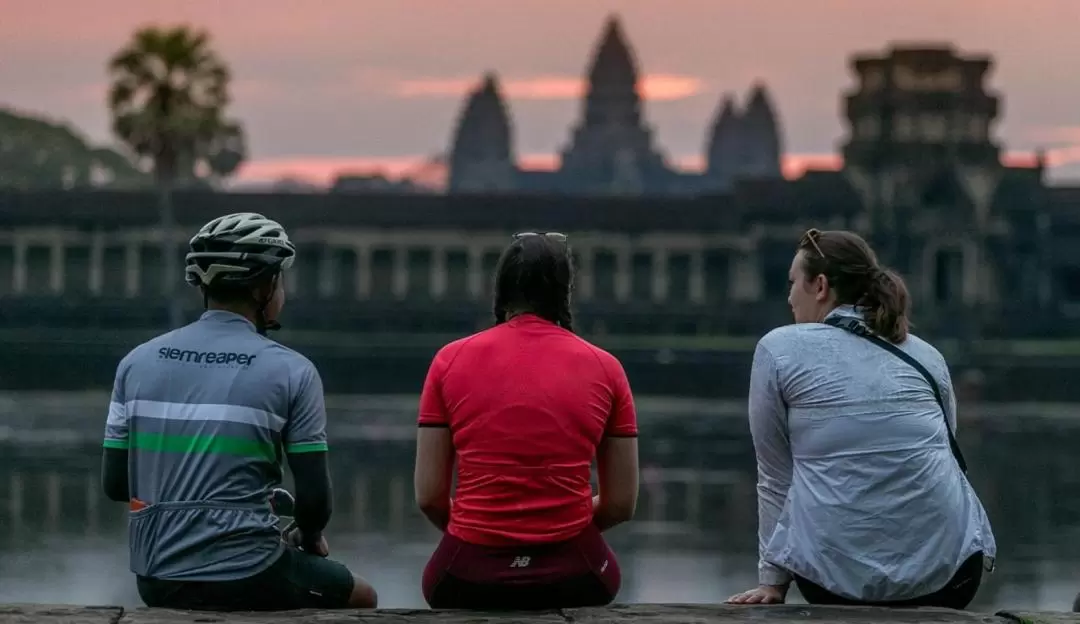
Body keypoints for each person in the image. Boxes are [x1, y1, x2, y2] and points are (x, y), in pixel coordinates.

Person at [100, 212, 377, 611]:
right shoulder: (292, 371)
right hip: (250, 572)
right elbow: (315, 501)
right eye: (281, 280)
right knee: (364, 596)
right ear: (264, 287)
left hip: (155, 577)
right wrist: (310, 534)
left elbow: (116, 484)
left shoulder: (135, 362)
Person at [727, 228, 996, 609]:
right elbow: (945, 454)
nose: (789, 297)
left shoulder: (779, 349)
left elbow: (776, 478)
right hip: (954, 575)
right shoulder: (926, 356)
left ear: (820, 286)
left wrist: (773, 582)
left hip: (835, 584)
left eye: (792, 283)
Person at [413, 231, 639, 610]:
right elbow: (620, 504)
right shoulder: (607, 368)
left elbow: (429, 496)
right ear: (565, 292)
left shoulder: (448, 361)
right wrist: (555, 525)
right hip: (574, 574)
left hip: (467, 575)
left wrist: (485, 528)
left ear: (500, 289)